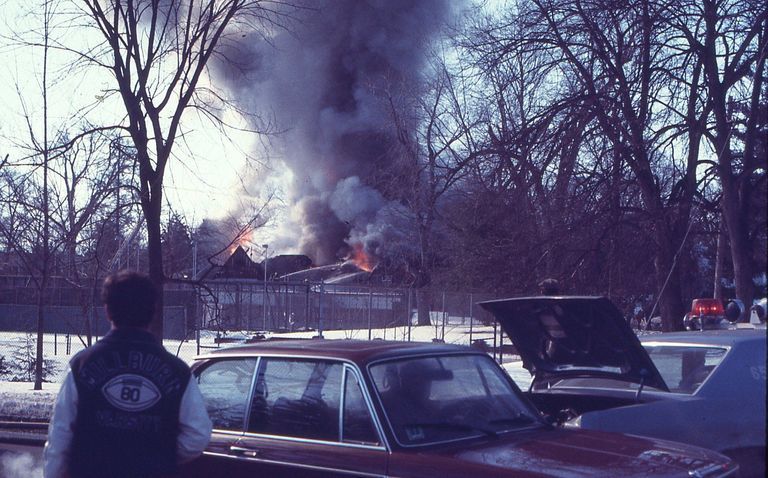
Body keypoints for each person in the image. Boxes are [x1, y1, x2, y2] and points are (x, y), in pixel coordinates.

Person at [44, 270, 212, 478]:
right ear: (153, 311)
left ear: (107, 310)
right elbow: (198, 434)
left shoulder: (82, 366)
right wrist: (159, 457)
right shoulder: (178, 371)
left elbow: (60, 436)